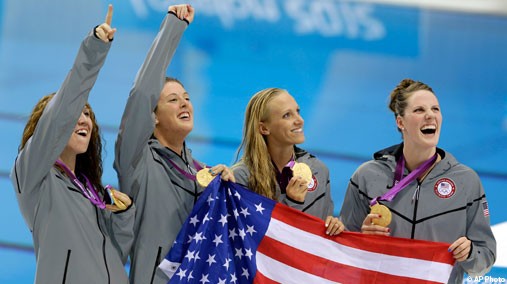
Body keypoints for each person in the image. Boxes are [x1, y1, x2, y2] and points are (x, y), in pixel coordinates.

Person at [10, 5, 134, 284]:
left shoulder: (90, 189)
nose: (83, 121)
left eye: (88, 114)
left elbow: (113, 257)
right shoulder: (34, 178)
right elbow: (61, 111)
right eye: (75, 114)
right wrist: (94, 50)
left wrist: (123, 217)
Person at [113, 4, 235, 284]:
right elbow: (142, 93)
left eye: (187, 97)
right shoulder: (137, 162)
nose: (184, 103)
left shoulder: (203, 173)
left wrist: (230, 186)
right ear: (152, 117)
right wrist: (173, 27)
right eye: (172, 99)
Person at [339, 78, 496, 283]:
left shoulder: (466, 181)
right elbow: (341, 251)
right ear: (400, 122)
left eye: (435, 109)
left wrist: (470, 253)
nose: (430, 115)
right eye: (419, 110)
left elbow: (485, 258)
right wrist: (361, 236)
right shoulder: (367, 176)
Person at [232, 87, 344, 236]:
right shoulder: (241, 178)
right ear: (264, 128)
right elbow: (249, 240)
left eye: (298, 111)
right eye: (287, 115)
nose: (300, 120)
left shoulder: (318, 170)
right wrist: (292, 203)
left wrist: (335, 226)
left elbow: (323, 236)